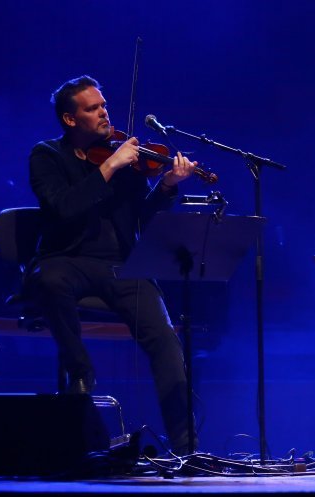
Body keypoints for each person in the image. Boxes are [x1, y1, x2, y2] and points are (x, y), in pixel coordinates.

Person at [26, 75, 198, 454]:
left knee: (166, 340)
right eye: (93, 108)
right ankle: (81, 371)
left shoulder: (125, 158)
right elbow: (63, 207)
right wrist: (109, 169)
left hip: (121, 265)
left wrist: (167, 186)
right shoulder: (47, 156)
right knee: (48, 280)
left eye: (104, 105)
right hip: (67, 259)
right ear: (71, 120)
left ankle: (186, 446)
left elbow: (144, 218)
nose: (104, 113)